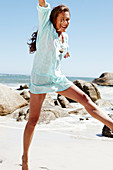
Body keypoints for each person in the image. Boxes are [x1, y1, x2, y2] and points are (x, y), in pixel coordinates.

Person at [22, 0, 113, 169]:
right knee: (33, 120)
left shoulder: (65, 37)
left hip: (57, 78)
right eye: (62, 19)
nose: (65, 23)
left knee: (85, 98)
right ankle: (25, 159)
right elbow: (42, 3)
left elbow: (61, 48)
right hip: (40, 80)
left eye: (68, 20)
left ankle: (112, 125)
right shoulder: (46, 27)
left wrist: (66, 50)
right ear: (54, 19)